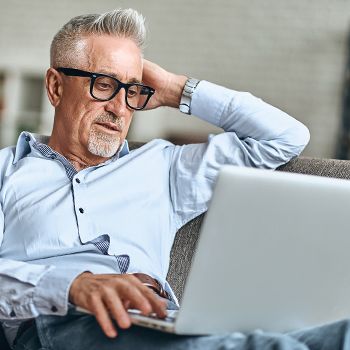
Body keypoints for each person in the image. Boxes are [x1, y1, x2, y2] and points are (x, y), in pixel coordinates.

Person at [1, 8, 345, 350]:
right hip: (62, 324)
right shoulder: (7, 170)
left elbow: (285, 137)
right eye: (104, 85)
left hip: (162, 322)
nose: (120, 109)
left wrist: (173, 89)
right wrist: (72, 286)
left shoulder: (164, 168)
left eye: (132, 91)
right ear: (56, 86)